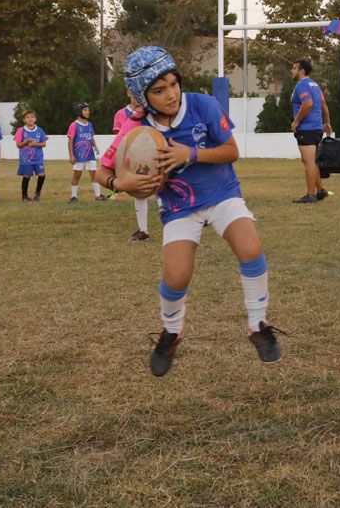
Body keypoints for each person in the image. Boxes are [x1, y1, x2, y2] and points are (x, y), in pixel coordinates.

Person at [96, 46, 285, 376]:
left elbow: (231, 151)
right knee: (176, 276)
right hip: (179, 209)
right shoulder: (136, 129)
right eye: (158, 90)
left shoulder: (203, 106)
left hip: (222, 195)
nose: (171, 94)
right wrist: (120, 183)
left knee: (250, 247)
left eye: (173, 83)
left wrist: (190, 154)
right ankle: (171, 331)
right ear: (142, 96)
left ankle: (258, 324)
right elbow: (101, 171)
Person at [289, 58, 332, 203]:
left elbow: (307, 104)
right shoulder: (314, 84)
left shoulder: (302, 85)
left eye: (294, 68)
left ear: (301, 71)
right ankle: (320, 191)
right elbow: (324, 105)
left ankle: (310, 195)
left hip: (306, 128)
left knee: (309, 162)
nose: (292, 71)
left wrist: (296, 121)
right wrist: (327, 122)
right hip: (317, 128)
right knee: (310, 161)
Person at [112, 92, 151, 241]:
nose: (137, 94)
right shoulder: (121, 114)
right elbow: (120, 137)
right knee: (139, 192)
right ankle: (143, 230)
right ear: (128, 92)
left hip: (149, 154)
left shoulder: (150, 112)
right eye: (134, 91)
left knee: (166, 187)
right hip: (131, 158)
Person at [67, 101, 106, 202]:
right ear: (79, 112)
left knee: (94, 174)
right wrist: (71, 156)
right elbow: (70, 140)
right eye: (85, 110)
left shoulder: (90, 125)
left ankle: (98, 196)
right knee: (77, 174)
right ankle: (74, 196)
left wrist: (96, 147)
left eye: (88, 110)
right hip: (79, 156)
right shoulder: (74, 125)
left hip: (90, 155)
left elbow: (91, 137)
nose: (88, 112)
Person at [15, 108, 48, 202]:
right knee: (26, 176)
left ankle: (37, 193)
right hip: (26, 159)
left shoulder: (40, 130)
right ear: (24, 120)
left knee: (42, 174)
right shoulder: (21, 130)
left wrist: (35, 144)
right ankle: (24, 196)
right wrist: (26, 142)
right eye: (27, 117)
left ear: (35, 118)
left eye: (32, 117)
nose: (30, 119)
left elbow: (44, 144)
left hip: (38, 158)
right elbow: (18, 145)